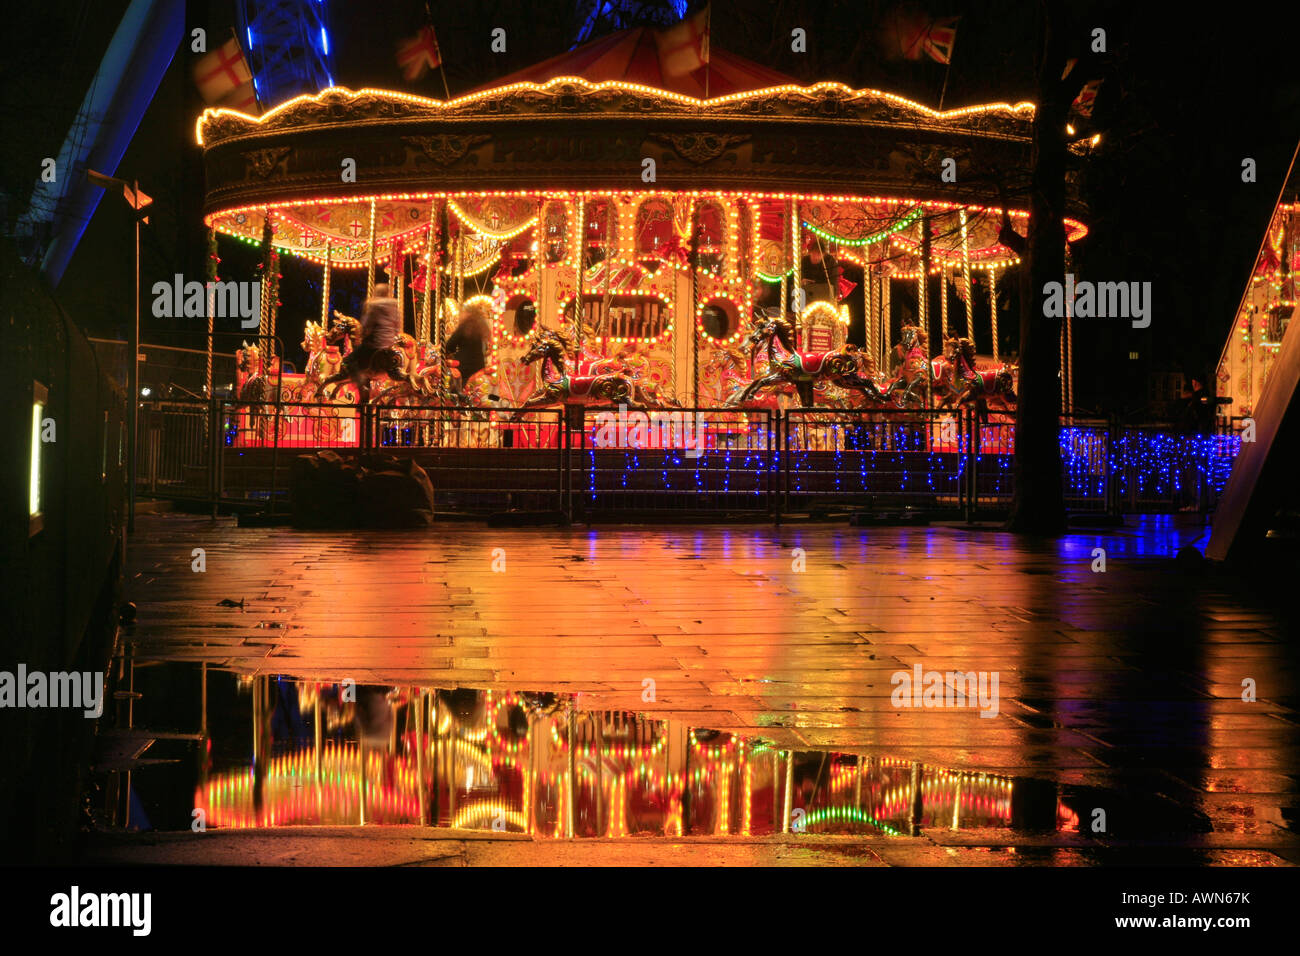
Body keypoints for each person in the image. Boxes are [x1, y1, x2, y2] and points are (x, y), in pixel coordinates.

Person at [335, 282, 401, 375]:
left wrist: (363, 334)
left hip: (376, 343)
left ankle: (360, 380)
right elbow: (397, 326)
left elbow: (367, 324)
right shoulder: (394, 306)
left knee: (347, 361)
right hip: (389, 344)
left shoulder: (374, 305)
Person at [444, 302, 492, 395]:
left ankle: (454, 396)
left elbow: (450, 344)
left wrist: (447, 351)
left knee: (448, 380)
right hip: (479, 365)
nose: (462, 315)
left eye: (463, 312)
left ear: (468, 313)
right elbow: (485, 347)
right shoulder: (481, 327)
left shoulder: (465, 326)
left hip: (464, 365)